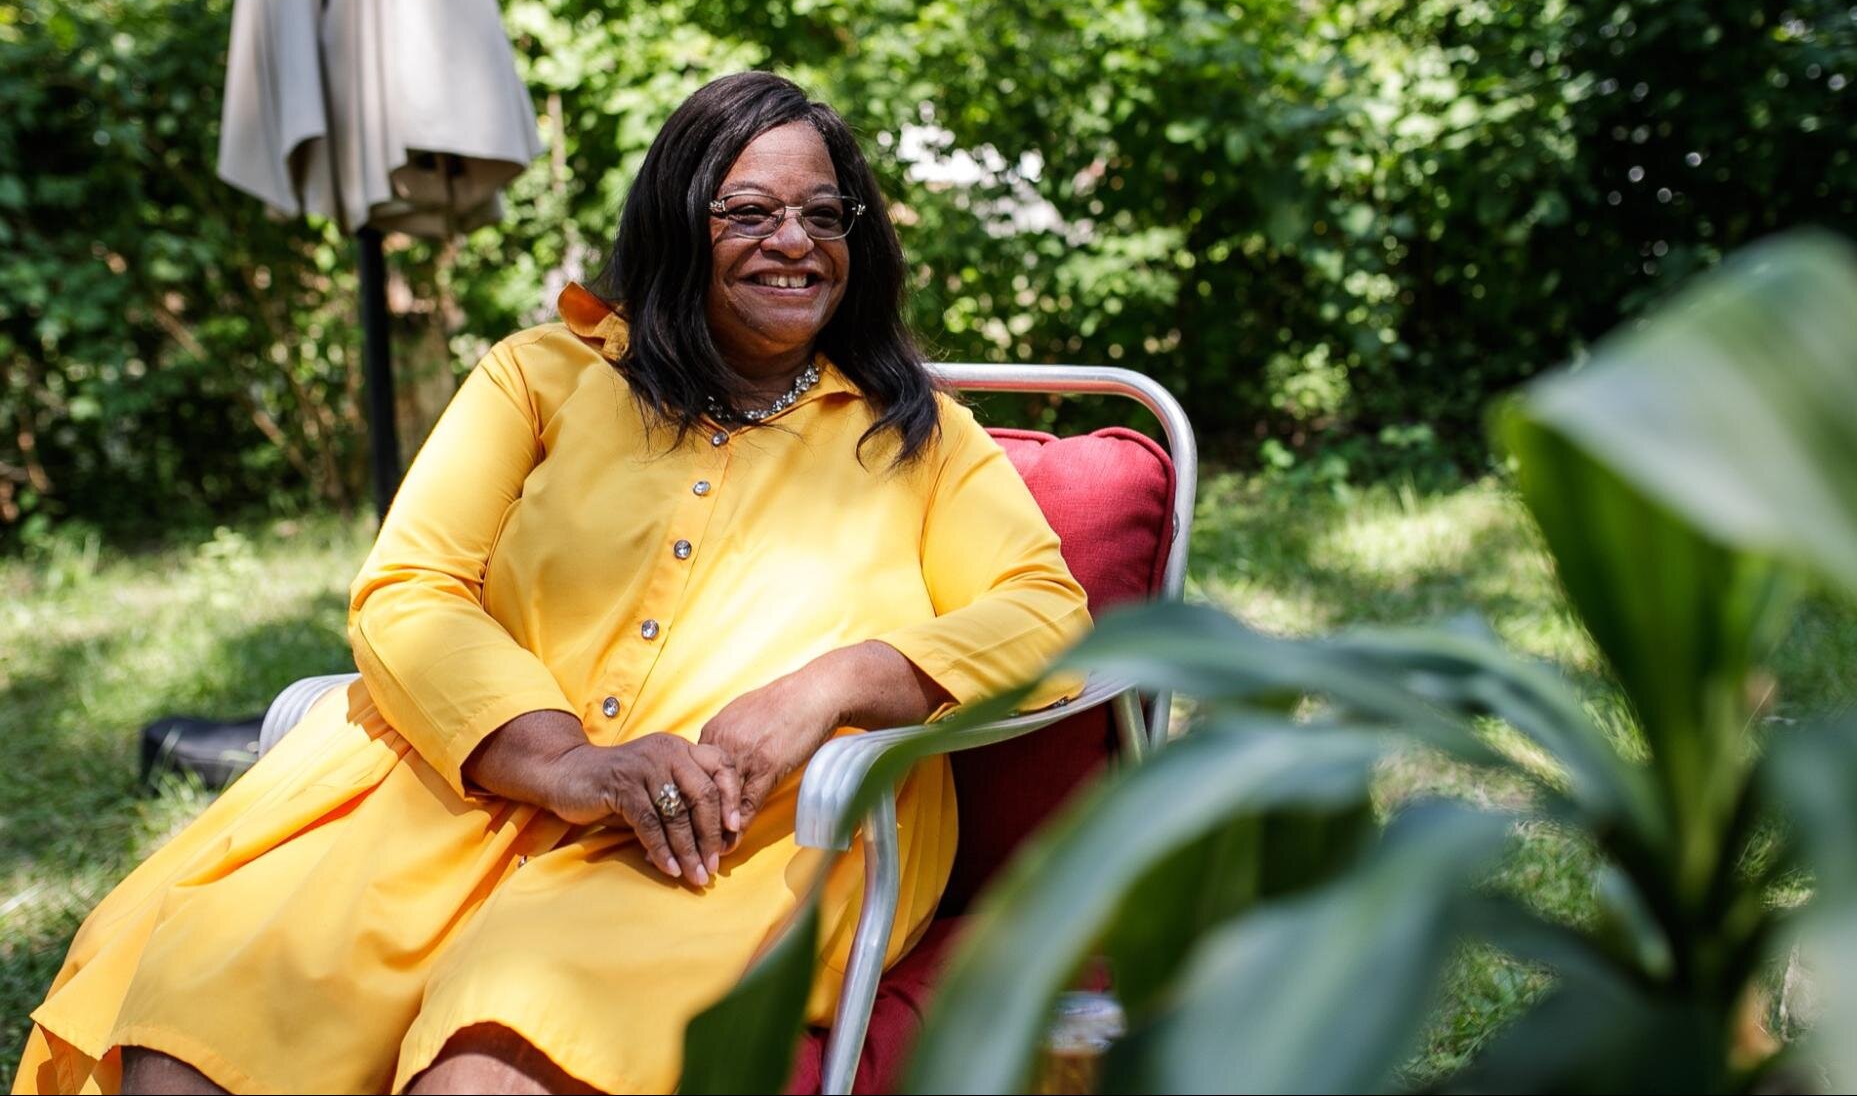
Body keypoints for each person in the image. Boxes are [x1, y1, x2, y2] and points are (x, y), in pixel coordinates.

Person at [15, 72, 1092, 1094]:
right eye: (749, 210)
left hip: (730, 836)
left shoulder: (919, 436)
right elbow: (411, 585)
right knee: (209, 1011)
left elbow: (1046, 615)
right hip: (464, 785)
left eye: (825, 213)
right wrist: (563, 758)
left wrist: (835, 684)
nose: (794, 242)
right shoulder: (540, 373)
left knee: (497, 1053)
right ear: (676, 222)